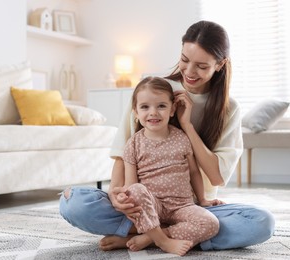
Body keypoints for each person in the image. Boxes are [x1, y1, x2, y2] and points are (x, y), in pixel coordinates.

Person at [59, 20, 275, 251]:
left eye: (202, 66)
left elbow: (217, 177)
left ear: (220, 64)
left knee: (261, 222)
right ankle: (174, 234)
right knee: (73, 203)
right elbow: (123, 155)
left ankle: (148, 236)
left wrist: (187, 126)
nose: (190, 72)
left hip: (191, 207)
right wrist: (115, 195)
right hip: (142, 203)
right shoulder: (153, 91)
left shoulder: (228, 108)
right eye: (184, 60)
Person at [119, 76, 222, 255]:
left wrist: (203, 199)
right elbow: (131, 184)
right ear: (135, 111)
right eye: (145, 107)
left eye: (161, 106)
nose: (153, 112)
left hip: (182, 206)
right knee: (134, 189)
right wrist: (126, 199)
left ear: (172, 109)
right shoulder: (133, 143)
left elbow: (194, 172)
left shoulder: (182, 138)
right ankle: (164, 242)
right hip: (151, 206)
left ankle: (151, 238)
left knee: (212, 224)